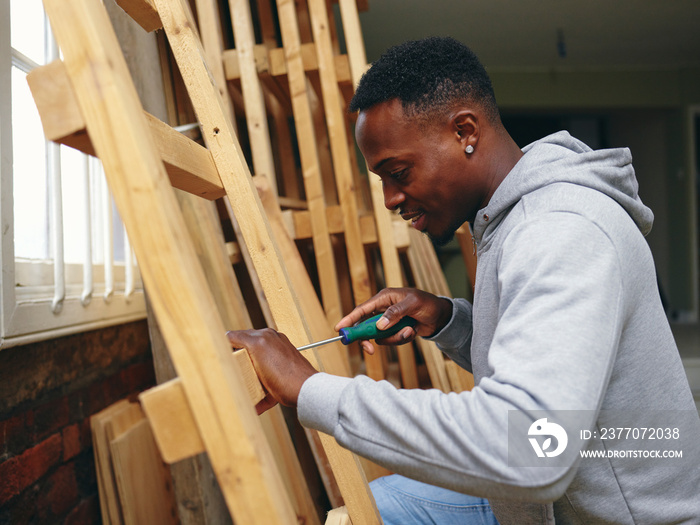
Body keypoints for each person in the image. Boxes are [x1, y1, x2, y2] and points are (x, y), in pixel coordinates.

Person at [226, 37, 700, 524]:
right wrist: (450, 321)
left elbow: (531, 446)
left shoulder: (560, 231)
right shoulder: (509, 220)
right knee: (379, 506)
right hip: (561, 498)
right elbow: (550, 352)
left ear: (465, 131)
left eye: (398, 171)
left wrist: (311, 390)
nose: (390, 199)